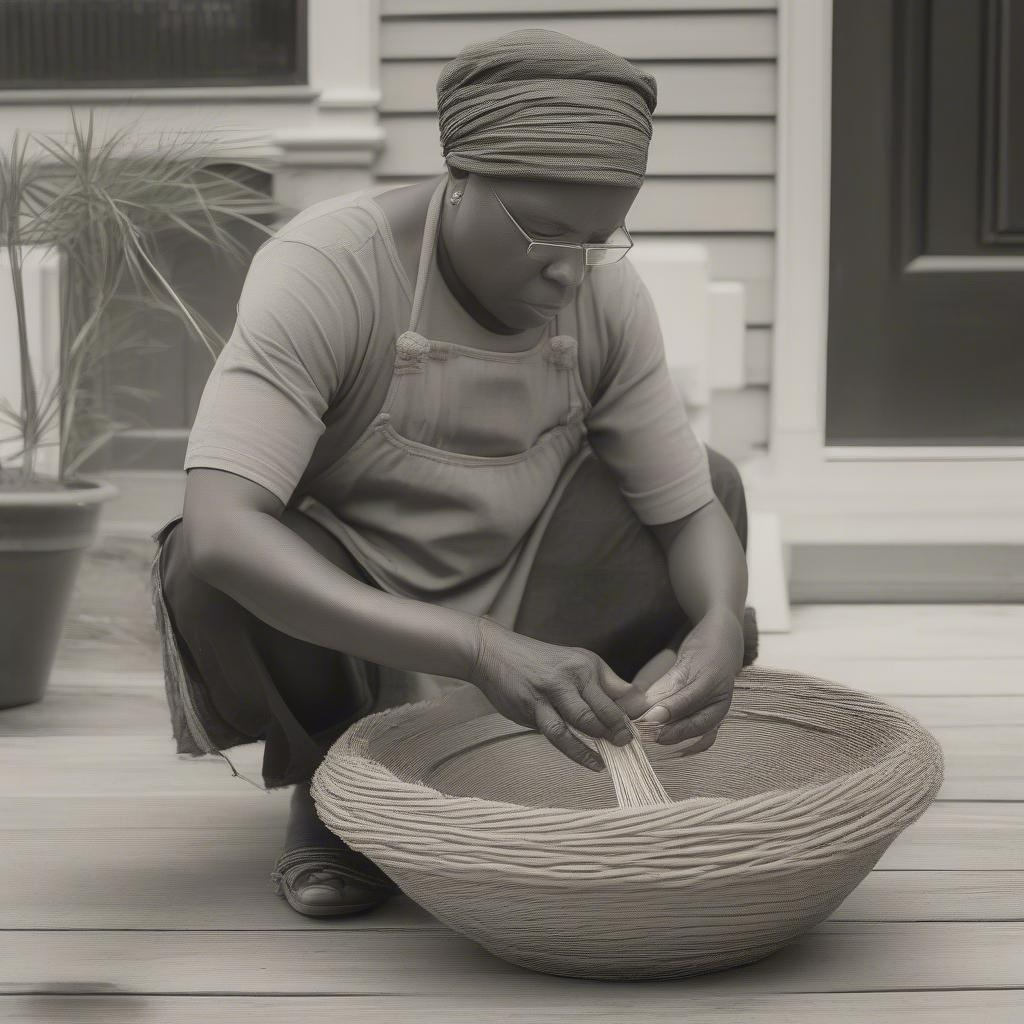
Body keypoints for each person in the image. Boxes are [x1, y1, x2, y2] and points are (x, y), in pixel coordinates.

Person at [149, 28, 757, 920]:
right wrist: (474, 647)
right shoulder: (332, 266)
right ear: (457, 175)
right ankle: (336, 784)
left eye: (601, 238)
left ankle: (533, 759)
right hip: (352, 616)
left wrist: (716, 623)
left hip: (541, 596)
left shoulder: (603, 295)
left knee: (716, 481)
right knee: (204, 571)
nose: (567, 270)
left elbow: (689, 510)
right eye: (543, 231)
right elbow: (224, 527)